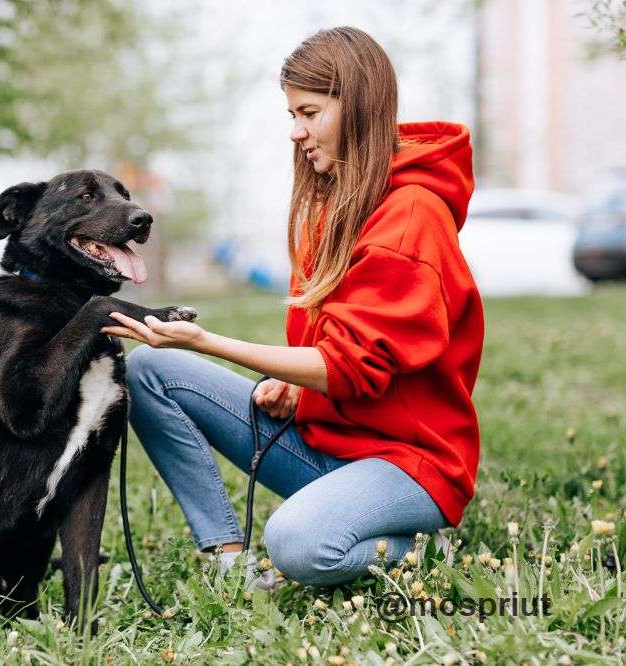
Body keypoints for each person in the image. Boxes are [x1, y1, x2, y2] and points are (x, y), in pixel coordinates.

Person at [101, 26, 484, 588]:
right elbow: (333, 352)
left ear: (357, 106)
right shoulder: (337, 207)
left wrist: (208, 342)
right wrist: (299, 385)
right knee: (151, 369)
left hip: (409, 467)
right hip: (329, 445)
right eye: (291, 114)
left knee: (298, 545)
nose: (295, 132)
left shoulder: (411, 218)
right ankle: (230, 565)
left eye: (308, 112)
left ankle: (411, 551)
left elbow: (354, 369)